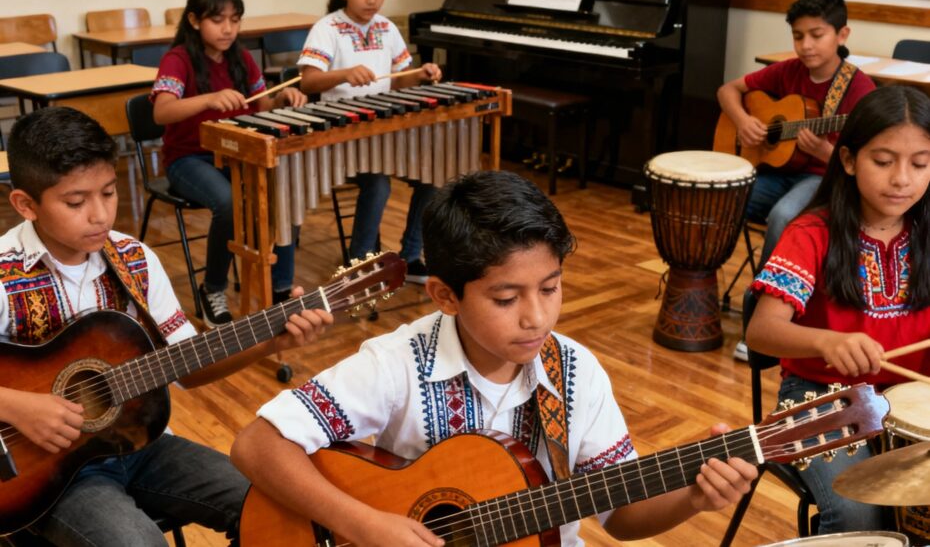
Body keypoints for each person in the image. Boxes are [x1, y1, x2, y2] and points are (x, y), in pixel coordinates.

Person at [231, 170, 757, 546]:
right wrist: (362, 524)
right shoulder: (397, 364)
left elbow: (620, 517)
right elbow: (257, 444)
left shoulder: (575, 373)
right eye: (506, 299)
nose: (537, 318)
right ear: (445, 295)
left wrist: (693, 498)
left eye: (550, 288)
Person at [0, 107, 332, 546]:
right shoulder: (4, 273)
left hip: (142, 445)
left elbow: (187, 367)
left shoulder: (134, 259)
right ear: (25, 204)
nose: (100, 215)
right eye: (76, 203)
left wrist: (269, 342)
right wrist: (16, 406)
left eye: (109, 192)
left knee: (274, 504)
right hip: (46, 475)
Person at [746, 85, 930, 534]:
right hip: (820, 396)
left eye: (920, 163)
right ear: (848, 160)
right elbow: (761, 330)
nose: (902, 179)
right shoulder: (813, 232)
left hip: (912, 398)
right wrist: (827, 341)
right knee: (856, 511)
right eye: (883, 161)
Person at [717, 0, 875, 361]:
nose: (806, 45)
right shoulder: (788, 70)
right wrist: (744, 121)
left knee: (785, 216)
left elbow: (867, 158)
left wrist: (825, 153)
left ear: (842, 34)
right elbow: (728, 90)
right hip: (774, 172)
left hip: (821, 179)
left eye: (816, 35)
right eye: (798, 35)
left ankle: (764, 321)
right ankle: (700, 290)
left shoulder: (859, 89)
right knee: (723, 195)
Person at [153, 0, 308, 326]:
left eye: (235, 20)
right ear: (194, 20)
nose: (228, 29)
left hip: (238, 153)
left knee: (282, 189)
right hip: (188, 159)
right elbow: (161, 111)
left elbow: (262, 105)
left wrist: (282, 99)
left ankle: (281, 289)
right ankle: (212, 289)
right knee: (228, 203)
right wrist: (208, 99)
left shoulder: (241, 58)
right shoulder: (178, 59)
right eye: (217, 19)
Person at [297, 0, 443, 284]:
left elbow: (401, 80)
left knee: (433, 173)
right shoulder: (327, 28)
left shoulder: (387, 28)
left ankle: (412, 256)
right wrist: (344, 74)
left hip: (385, 132)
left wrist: (422, 74)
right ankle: (358, 265)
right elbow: (308, 82)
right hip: (340, 136)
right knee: (377, 183)